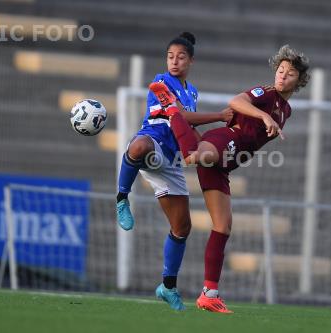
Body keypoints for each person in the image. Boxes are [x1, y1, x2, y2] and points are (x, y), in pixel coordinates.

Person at [149, 45, 310, 313]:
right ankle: (172, 110)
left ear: (299, 81)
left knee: (222, 226)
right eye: (280, 70)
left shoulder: (286, 110)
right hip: (227, 141)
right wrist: (263, 115)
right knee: (193, 156)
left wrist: (268, 120)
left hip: (227, 165)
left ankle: (209, 294)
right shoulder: (266, 93)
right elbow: (236, 102)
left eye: (290, 73)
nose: (282, 76)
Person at [115, 32, 233, 310]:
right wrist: (220, 115)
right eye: (170, 56)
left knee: (182, 227)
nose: (174, 61)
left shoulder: (192, 91)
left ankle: (167, 287)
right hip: (153, 146)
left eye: (180, 57)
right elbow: (177, 116)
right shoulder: (160, 82)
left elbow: (188, 128)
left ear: (191, 60)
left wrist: (210, 146)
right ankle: (122, 198)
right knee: (139, 145)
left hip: (170, 162)